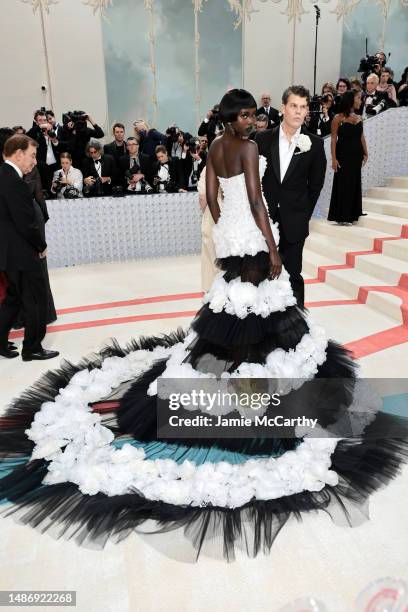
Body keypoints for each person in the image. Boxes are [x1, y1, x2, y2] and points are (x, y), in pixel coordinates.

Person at [1, 89, 406, 560]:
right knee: (261, 312)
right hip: (253, 235)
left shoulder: (214, 145)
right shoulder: (250, 148)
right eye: (248, 114)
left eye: (257, 114)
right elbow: (256, 199)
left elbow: (212, 195)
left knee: (233, 312)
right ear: (235, 117)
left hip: (229, 237)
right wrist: (273, 249)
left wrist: (223, 222)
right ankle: (251, 388)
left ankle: (233, 372)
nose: (255, 121)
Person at [256, 85, 327, 307]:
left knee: (293, 276)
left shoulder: (315, 144)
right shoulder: (262, 139)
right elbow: (254, 181)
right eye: (294, 106)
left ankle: (296, 330)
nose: (298, 111)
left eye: (303, 107)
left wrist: (302, 213)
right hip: (263, 222)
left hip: (294, 222)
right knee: (261, 276)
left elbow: (316, 186)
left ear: (307, 112)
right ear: (283, 108)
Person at [0, 135, 59, 361]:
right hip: (21, 253)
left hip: (7, 254)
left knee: (14, 299)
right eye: (32, 155)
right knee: (35, 299)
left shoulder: (2, 175)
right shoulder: (14, 181)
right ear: (18, 153)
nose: (34, 161)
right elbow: (25, 222)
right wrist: (41, 245)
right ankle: (32, 348)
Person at [328, 90, 368, 225]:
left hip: (356, 155)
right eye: (358, 98)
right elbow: (333, 139)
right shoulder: (337, 118)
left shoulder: (359, 117)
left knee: (354, 183)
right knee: (343, 184)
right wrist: (333, 158)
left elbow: (361, 136)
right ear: (351, 100)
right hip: (343, 155)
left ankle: (352, 214)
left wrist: (366, 152)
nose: (360, 101)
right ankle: (341, 216)